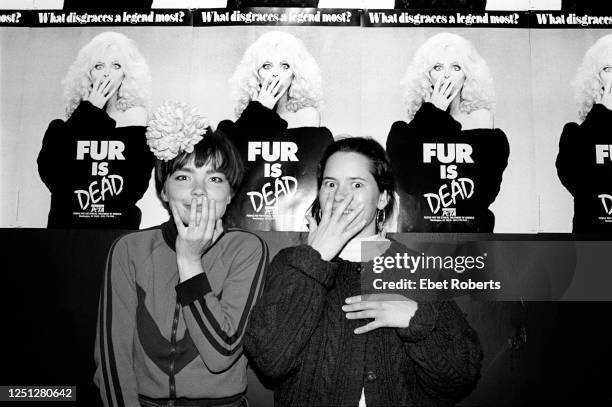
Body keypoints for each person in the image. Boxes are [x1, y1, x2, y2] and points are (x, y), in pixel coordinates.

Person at [244, 137, 482, 406]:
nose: (340, 195)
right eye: (330, 184)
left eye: (356, 184)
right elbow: (270, 360)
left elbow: (462, 372)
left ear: (382, 198)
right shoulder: (292, 263)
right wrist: (316, 258)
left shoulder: (416, 268)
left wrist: (417, 319)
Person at [94, 101, 268, 406]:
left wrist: (189, 260)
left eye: (215, 179)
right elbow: (113, 355)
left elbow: (222, 352)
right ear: (163, 190)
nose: (199, 191)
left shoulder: (246, 249)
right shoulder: (130, 250)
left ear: (230, 194)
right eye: (183, 177)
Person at [386, 32, 509, 232]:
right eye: (437, 67)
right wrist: (433, 114)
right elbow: (406, 186)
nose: (446, 75)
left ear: (467, 75)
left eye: (456, 67)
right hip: (418, 242)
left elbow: (484, 193)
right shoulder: (406, 131)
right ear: (426, 76)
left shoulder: (483, 124)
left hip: (471, 243)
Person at [218, 31, 334, 232]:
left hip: (294, 227)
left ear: (296, 74)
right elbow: (229, 174)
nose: (275, 74)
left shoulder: (308, 118)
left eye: (285, 66)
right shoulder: (239, 126)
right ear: (255, 75)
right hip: (245, 227)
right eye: (266, 66)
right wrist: (259, 110)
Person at [37, 32, 154, 229]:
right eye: (99, 66)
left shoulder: (137, 126)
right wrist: (90, 111)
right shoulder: (63, 128)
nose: (107, 74)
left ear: (127, 73)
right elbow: (53, 176)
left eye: (116, 66)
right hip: (66, 234)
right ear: (87, 74)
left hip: (115, 235)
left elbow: (134, 188)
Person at [556, 34, 612, 233]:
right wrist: (602, 115)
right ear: (596, 80)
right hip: (594, 244)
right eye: (607, 69)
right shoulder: (575, 134)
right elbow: (577, 182)